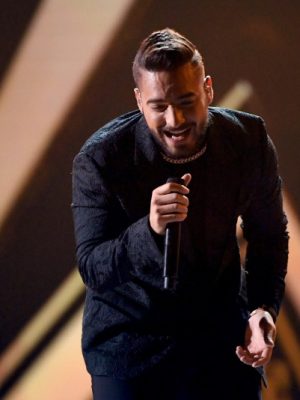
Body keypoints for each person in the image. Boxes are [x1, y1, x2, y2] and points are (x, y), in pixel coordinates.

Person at [71, 28, 289, 400]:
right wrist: (150, 230)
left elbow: (268, 234)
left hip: (219, 341)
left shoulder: (247, 139)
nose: (174, 119)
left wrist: (261, 308)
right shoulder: (101, 159)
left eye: (187, 101)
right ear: (139, 101)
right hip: (131, 351)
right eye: (159, 106)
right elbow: (93, 266)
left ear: (208, 88)